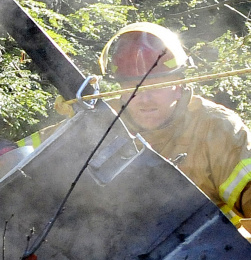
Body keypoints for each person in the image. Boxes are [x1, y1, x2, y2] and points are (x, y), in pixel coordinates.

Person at [99, 22, 251, 225]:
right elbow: (44, 162)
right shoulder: (100, 123)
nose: (145, 99)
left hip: (208, 253)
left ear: (179, 85)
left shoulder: (216, 129)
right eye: (133, 87)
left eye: (155, 86)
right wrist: (72, 121)